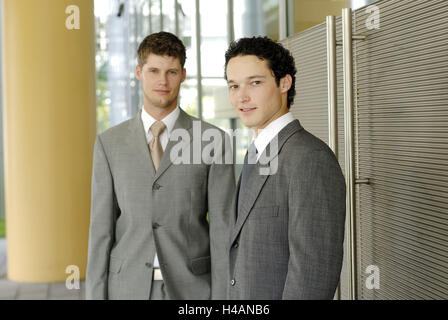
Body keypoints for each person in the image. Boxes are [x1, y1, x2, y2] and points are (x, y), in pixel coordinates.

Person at [86, 32, 235, 300]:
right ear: (139, 72)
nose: (162, 81)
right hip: (126, 288)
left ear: (183, 74)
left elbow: (223, 228)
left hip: (194, 290)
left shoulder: (212, 141)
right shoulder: (109, 144)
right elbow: (100, 230)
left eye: (171, 72)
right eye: (154, 70)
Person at [224, 36, 346, 299]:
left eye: (255, 82)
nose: (242, 97)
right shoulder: (255, 153)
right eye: (234, 86)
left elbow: (313, 273)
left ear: (284, 83)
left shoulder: (309, 158)